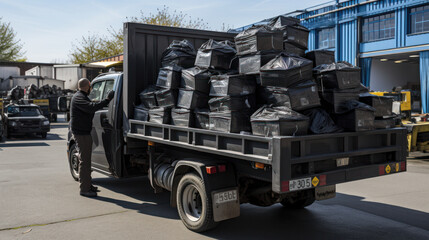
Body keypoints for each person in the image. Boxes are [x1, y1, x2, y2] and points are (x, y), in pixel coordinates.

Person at [70, 78, 114, 197]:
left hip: (83, 132)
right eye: (91, 87)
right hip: (81, 133)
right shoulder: (79, 97)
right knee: (84, 161)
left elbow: (90, 105)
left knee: (86, 160)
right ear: (87, 87)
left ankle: (88, 185)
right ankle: (84, 189)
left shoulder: (81, 96)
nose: (91, 89)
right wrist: (107, 100)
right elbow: (91, 107)